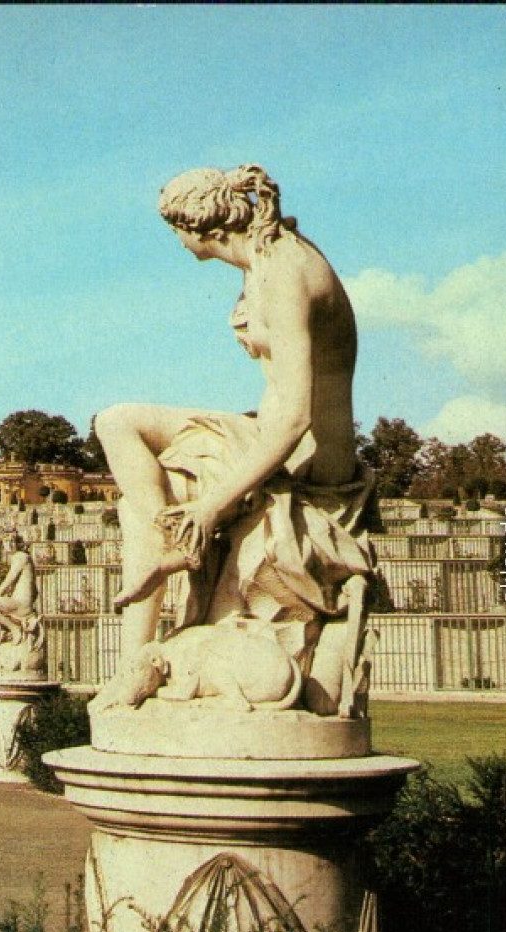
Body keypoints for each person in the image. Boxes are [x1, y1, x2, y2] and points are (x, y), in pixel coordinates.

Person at [93, 164, 373, 692]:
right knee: (116, 423)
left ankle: (138, 653)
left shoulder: (287, 268)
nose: (175, 242)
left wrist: (211, 506)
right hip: (263, 432)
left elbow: (296, 415)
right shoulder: (261, 261)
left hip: (312, 462)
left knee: (138, 503)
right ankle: (168, 553)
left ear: (202, 227)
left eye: (173, 230)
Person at [0, 533, 44, 678]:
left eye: (12, 541)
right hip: (19, 605)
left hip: (20, 605)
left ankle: (13, 628)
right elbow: (35, 590)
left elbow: (9, 580)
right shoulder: (22, 558)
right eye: (6, 542)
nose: (10, 544)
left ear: (18, 543)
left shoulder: (21, 556)